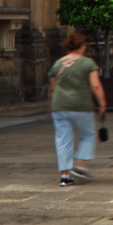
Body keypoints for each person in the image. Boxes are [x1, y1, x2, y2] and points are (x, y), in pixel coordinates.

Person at [47, 32, 106, 187]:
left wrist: (52, 105)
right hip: (81, 106)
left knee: (62, 140)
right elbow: (95, 86)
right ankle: (80, 166)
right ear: (81, 46)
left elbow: (52, 88)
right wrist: (102, 103)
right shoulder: (88, 63)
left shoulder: (58, 64)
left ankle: (65, 176)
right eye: (84, 44)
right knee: (88, 135)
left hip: (59, 107)